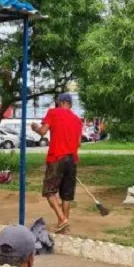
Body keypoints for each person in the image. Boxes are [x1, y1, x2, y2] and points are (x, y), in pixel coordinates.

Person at [32, 94, 83, 233]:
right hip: (72, 159)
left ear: (60, 102)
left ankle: (62, 218)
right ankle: (63, 225)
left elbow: (43, 131)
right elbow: (79, 143)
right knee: (67, 194)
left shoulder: (53, 112)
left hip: (57, 157)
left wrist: (35, 127)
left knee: (49, 191)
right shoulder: (78, 120)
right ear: (70, 104)